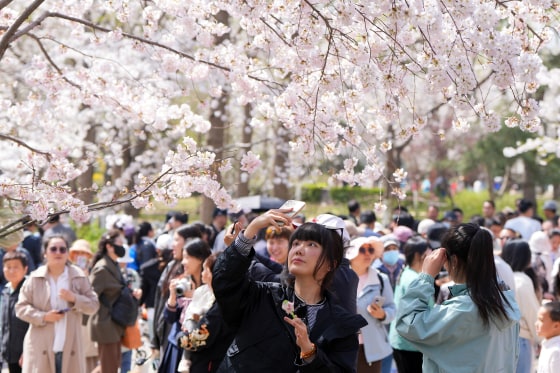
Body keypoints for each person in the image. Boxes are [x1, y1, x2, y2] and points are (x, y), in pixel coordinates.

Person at [213, 210, 367, 372]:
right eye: (296, 243)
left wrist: (310, 353)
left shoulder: (342, 323)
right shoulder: (263, 295)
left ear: (331, 264)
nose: (299, 249)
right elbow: (225, 283)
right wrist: (249, 233)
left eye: (312, 244)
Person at [395, 223, 520, 372]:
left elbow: (407, 324)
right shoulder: (505, 301)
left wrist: (426, 276)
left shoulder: (462, 309)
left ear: (453, 261)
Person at [15, 235, 100, 373]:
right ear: (45, 253)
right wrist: (43, 317)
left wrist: (74, 298)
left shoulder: (78, 276)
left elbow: (93, 305)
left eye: (62, 249)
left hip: (70, 346)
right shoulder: (35, 277)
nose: (58, 253)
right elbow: (20, 308)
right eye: (53, 249)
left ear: (67, 253)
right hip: (40, 346)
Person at [89, 230, 142, 373]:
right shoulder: (102, 268)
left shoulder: (113, 264)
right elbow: (91, 295)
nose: (122, 247)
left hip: (114, 323)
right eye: (119, 243)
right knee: (109, 367)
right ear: (109, 246)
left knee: (111, 365)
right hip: (105, 323)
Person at [159, 238, 211, 373]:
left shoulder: (209, 287)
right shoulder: (182, 283)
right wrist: (172, 296)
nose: (183, 262)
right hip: (177, 345)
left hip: (199, 349)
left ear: (200, 259)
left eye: (187, 257)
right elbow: (169, 318)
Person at [177, 253, 235, 373]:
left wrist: (180, 337)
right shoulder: (232, 298)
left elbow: (198, 339)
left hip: (209, 364)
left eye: (205, 270)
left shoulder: (220, 307)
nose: (203, 273)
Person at [151, 224, 202, 358]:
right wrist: (154, 337)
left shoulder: (194, 273)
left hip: (179, 336)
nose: (172, 245)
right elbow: (159, 301)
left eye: (176, 240)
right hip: (164, 332)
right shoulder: (171, 266)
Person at [347, 237, 395, 373]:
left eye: (371, 250)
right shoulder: (339, 277)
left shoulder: (381, 279)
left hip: (372, 348)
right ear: (352, 254)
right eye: (362, 250)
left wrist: (383, 314)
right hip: (343, 346)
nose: (367, 253)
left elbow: (392, 308)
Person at [388, 236, 432, 373]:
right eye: (429, 252)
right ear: (420, 255)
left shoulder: (408, 272)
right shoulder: (415, 279)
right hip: (410, 343)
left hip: (406, 340)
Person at [501, 239, 541, 373]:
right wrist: (541, 338)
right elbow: (532, 314)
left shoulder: (500, 276)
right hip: (520, 338)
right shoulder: (522, 281)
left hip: (499, 338)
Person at [0, 252, 29, 373]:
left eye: (16, 267)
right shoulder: (5, 292)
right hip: (8, 353)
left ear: (25, 269)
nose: (11, 270)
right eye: (8, 266)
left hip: (25, 353)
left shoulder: (29, 291)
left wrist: (27, 351)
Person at [536, 301, 560, 373]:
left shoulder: (556, 352)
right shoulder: (547, 345)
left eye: (541, 320)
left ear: (556, 326)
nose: (536, 324)